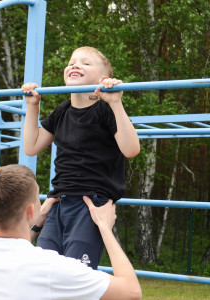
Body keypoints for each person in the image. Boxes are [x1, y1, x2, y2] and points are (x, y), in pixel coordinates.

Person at [22, 46, 140, 269]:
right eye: (72, 61)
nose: (75, 65)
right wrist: (32, 107)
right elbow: (31, 146)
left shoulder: (105, 110)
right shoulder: (61, 112)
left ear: (104, 78)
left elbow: (131, 149)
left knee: (76, 272)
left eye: (86, 63)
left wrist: (116, 103)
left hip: (91, 204)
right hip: (58, 201)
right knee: (44, 269)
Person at [0, 164, 141, 300]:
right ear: (30, 211)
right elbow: (131, 292)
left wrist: (35, 224)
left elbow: (13, 249)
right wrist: (104, 227)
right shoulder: (51, 267)